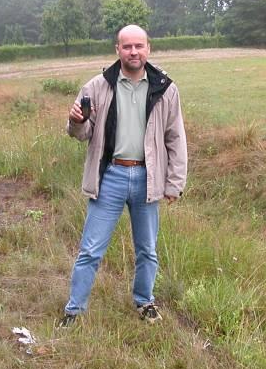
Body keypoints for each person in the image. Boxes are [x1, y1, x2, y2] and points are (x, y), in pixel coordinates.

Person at [59, 24, 188, 326]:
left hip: (148, 179)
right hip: (111, 177)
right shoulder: (96, 86)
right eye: (127, 46)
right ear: (117, 49)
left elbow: (175, 138)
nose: (133, 52)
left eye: (139, 46)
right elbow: (81, 134)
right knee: (91, 249)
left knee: (148, 249)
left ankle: (144, 302)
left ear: (148, 48)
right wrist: (74, 121)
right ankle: (73, 311)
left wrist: (174, 183)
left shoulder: (165, 88)